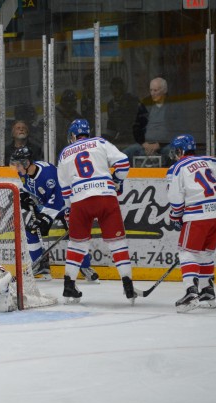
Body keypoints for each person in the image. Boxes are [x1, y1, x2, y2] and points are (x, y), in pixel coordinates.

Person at [57, 119, 135, 304]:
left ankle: (69, 285)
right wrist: (117, 181)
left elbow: (65, 189)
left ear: (73, 136)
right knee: (117, 243)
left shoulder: (65, 153)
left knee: (76, 245)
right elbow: (124, 163)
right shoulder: (100, 142)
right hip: (105, 196)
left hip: (80, 200)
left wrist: (69, 210)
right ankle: (128, 284)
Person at [166, 134, 216, 313]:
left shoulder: (177, 168)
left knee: (186, 252)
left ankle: (191, 293)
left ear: (180, 151)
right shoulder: (211, 161)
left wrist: (176, 217)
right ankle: (207, 292)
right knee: (206, 253)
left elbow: (176, 200)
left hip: (197, 214)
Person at [9, 146, 99, 283]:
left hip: (65, 205)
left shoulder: (48, 174)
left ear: (26, 163)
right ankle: (40, 266)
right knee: (31, 230)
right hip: (46, 206)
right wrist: (25, 197)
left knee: (76, 234)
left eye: (17, 164)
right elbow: (29, 188)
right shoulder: (23, 173)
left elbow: (59, 197)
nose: (16, 168)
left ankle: (85, 267)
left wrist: (46, 217)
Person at [122, 77, 176, 166]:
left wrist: (159, 144)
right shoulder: (146, 104)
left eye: (155, 90)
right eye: (151, 90)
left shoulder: (174, 105)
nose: (152, 93)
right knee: (125, 154)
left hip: (165, 145)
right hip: (145, 144)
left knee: (173, 154)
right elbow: (136, 127)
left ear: (164, 91)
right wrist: (143, 143)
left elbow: (177, 129)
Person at [103, 77, 147, 150]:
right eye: (113, 87)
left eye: (117, 87)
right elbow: (112, 124)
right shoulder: (110, 104)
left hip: (133, 135)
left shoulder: (132, 100)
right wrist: (108, 138)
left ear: (122, 88)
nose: (115, 90)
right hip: (122, 136)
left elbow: (140, 119)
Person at [54, 89, 83, 156]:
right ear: (62, 102)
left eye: (71, 102)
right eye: (67, 102)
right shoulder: (54, 115)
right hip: (58, 150)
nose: (69, 104)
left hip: (73, 150)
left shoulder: (78, 118)